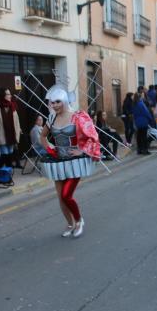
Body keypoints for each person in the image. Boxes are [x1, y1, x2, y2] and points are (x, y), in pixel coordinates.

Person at [39, 85, 100, 238]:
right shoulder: (52, 117)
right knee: (61, 198)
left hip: (75, 161)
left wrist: (82, 150)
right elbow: (42, 136)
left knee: (67, 195)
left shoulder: (78, 116)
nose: (54, 105)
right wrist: (49, 149)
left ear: (65, 101)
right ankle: (70, 223)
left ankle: (79, 221)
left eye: (57, 102)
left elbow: (93, 136)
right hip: (58, 161)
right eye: (52, 103)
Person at [0, 88, 21, 169]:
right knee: (5, 155)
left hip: (11, 134)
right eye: (8, 94)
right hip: (1, 135)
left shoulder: (12, 105)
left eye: (10, 94)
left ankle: (6, 173)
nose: (10, 96)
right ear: (3, 95)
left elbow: (16, 120)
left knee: (9, 154)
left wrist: (18, 129)